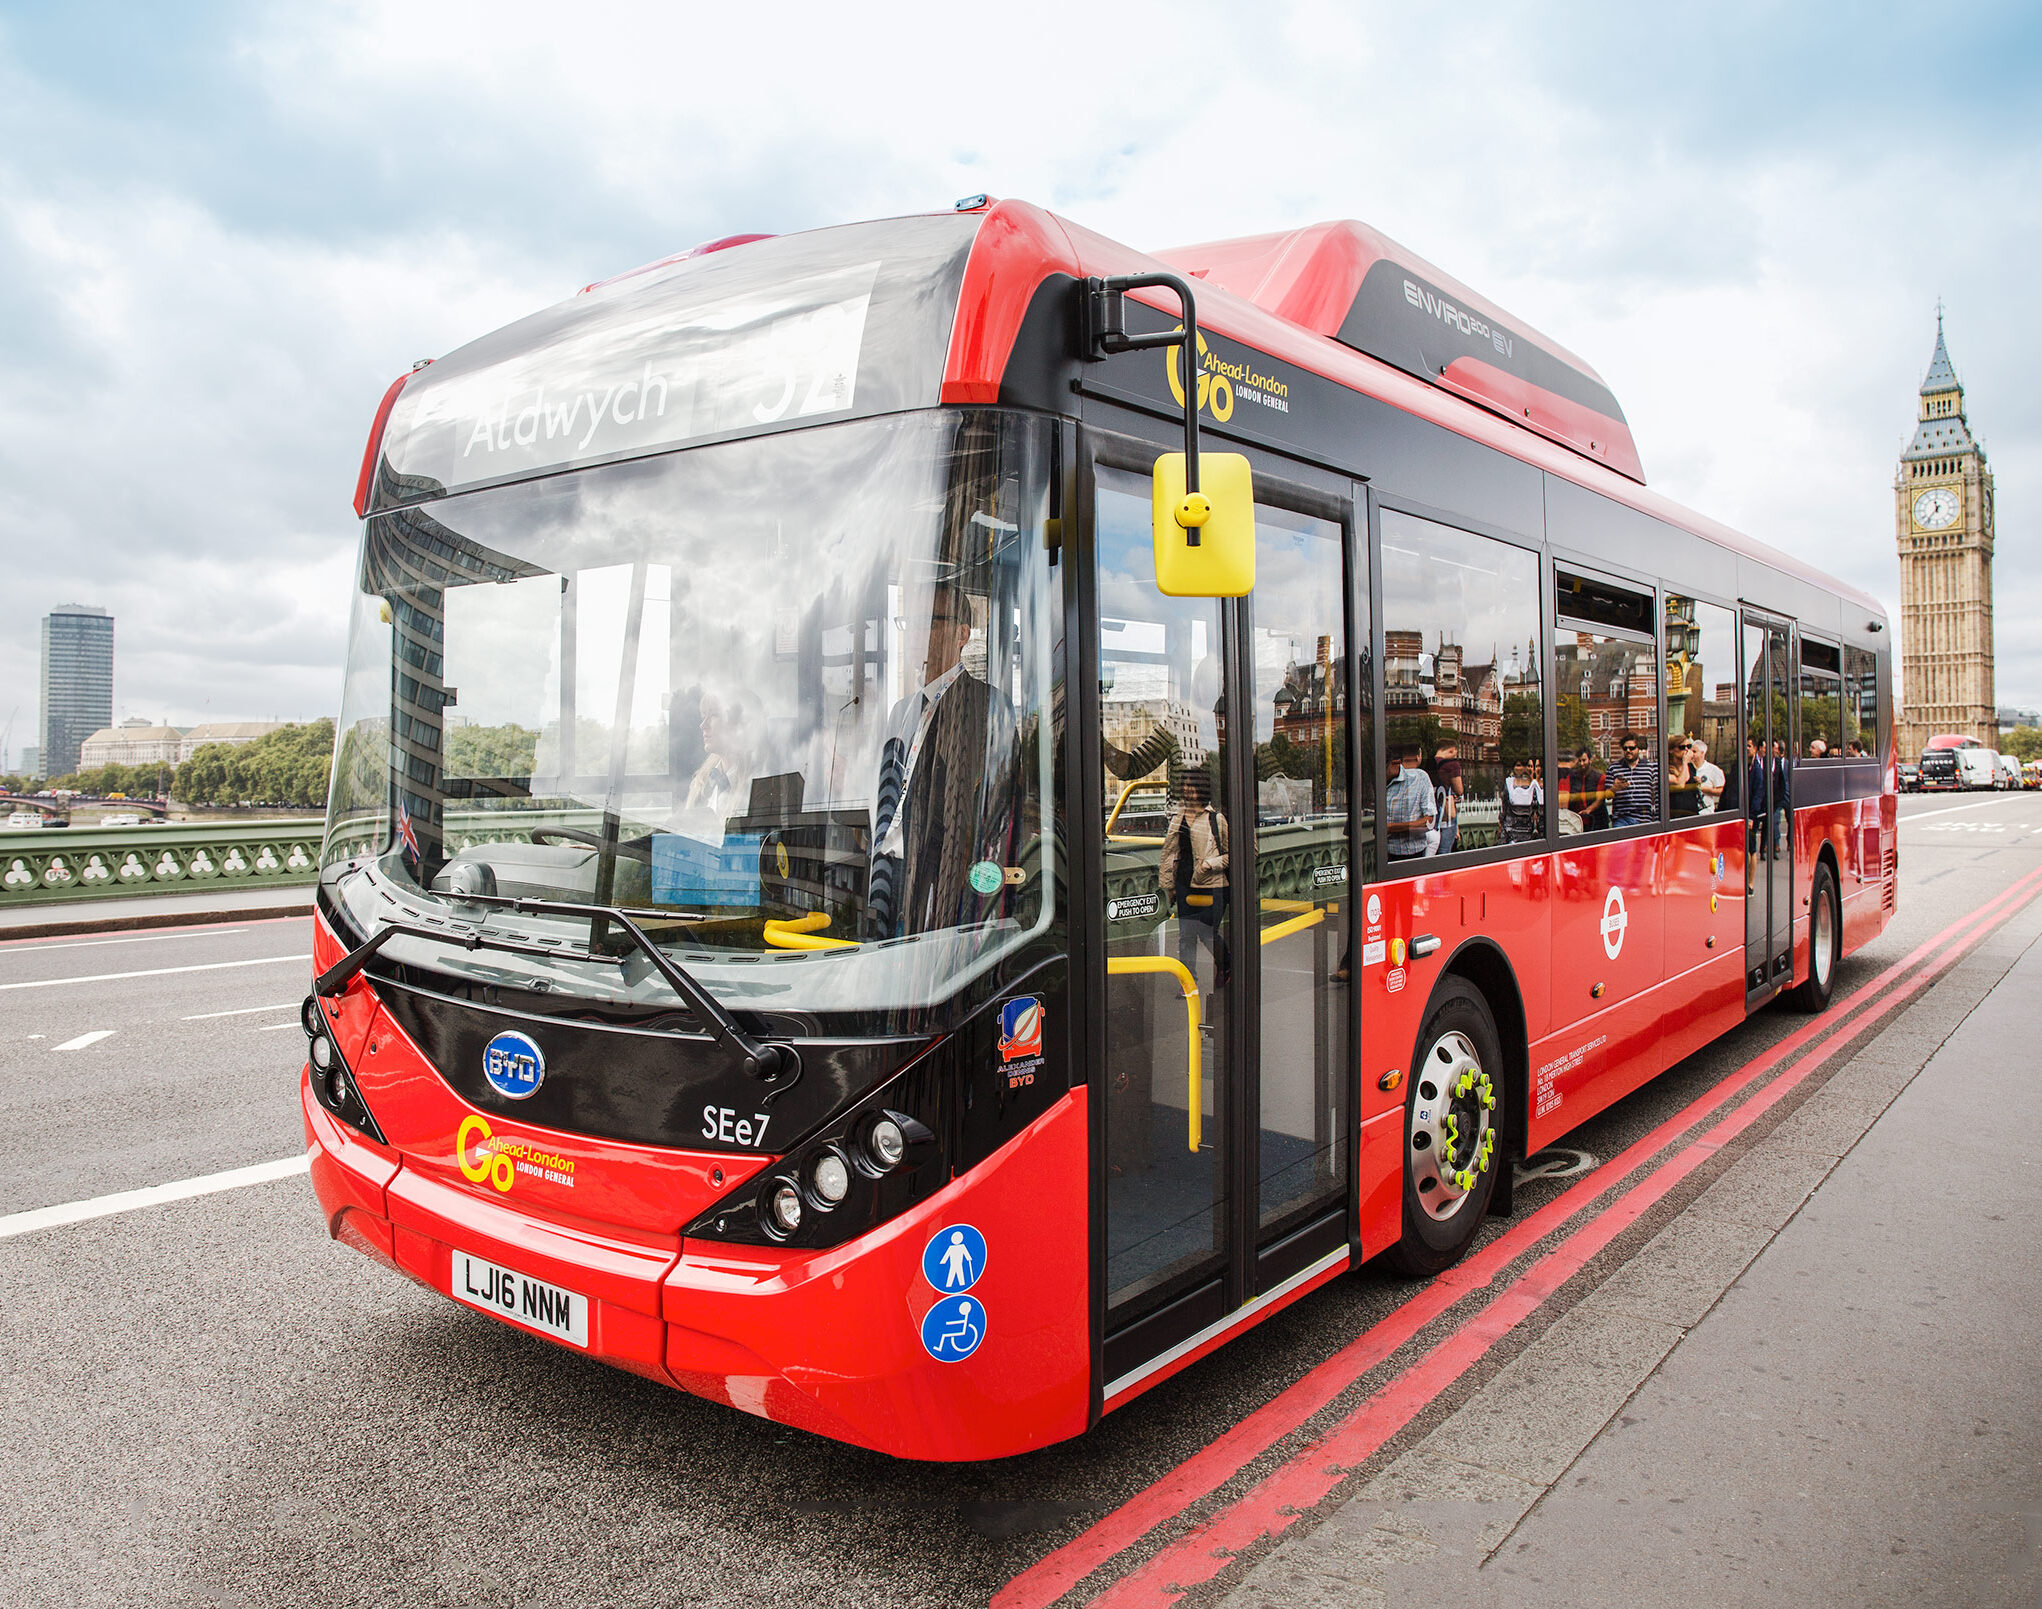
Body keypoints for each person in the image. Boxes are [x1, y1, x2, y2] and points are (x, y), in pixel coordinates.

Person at [865, 586, 1001, 939]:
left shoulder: (985, 705)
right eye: (909, 622)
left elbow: (988, 807)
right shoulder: (902, 710)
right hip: (889, 874)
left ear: (962, 634)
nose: (915, 634)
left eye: (928, 623)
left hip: (942, 878)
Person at [1160, 769, 1231, 989]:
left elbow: (1234, 855)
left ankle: (1226, 964)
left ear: (1201, 789)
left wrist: (1210, 864)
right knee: (1186, 936)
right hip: (1184, 884)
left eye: (1191, 785)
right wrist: (1169, 885)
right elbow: (1170, 853)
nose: (1187, 789)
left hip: (1212, 885)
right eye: (1185, 785)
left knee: (1206, 932)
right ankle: (1188, 982)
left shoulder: (1216, 819)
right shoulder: (1178, 818)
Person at [1385, 742, 1437, 859]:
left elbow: (1430, 821)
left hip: (1412, 854)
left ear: (1396, 763)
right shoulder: (1373, 782)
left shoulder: (1419, 778)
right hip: (1379, 854)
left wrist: (1391, 827)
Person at [1606, 732, 1659, 828]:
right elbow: (1607, 795)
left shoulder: (1650, 767)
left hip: (1644, 818)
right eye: (1625, 748)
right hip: (1622, 818)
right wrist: (1614, 788)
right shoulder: (1614, 768)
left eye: (1631, 748)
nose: (1628, 751)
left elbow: (1657, 792)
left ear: (1638, 748)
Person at [1561, 747, 1607, 833]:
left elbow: (1600, 799)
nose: (1581, 763)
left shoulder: (1600, 777)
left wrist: (1589, 810)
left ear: (1590, 760)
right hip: (1576, 820)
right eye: (1579, 761)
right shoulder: (1572, 776)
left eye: (1584, 760)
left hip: (1596, 820)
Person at [1499, 758, 1544, 842]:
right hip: (1512, 832)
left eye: (1535, 766)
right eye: (1518, 765)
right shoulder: (1509, 783)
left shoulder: (1542, 784)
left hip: (1533, 833)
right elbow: (1504, 805)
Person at [1433, 741, 1464, 855]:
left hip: (1431, 818)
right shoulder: (1452, 765)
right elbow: (1459, 790)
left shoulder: (1427, 764)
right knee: (1444, 852)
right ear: (1452, 750)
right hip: (1446, 816)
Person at [1668, 735, 1702, 818]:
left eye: (1688, 746)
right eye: (1682, 747)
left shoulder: (1690, 767)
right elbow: (1680, 784)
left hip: (1691, 812)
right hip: (1675, 813)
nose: (1686, 749)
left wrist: (1697, 783)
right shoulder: (1666, 768)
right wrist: (1685, 762)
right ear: (1671, 750)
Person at [1691, 738, 1726, 810]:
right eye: (1690, 751)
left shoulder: (1713, 770)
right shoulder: (1686, 769)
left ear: (1702, 753)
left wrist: (1703, 789)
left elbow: (1722, 791)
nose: (1691, 754)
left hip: (1706, 812)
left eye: (1694, 751)